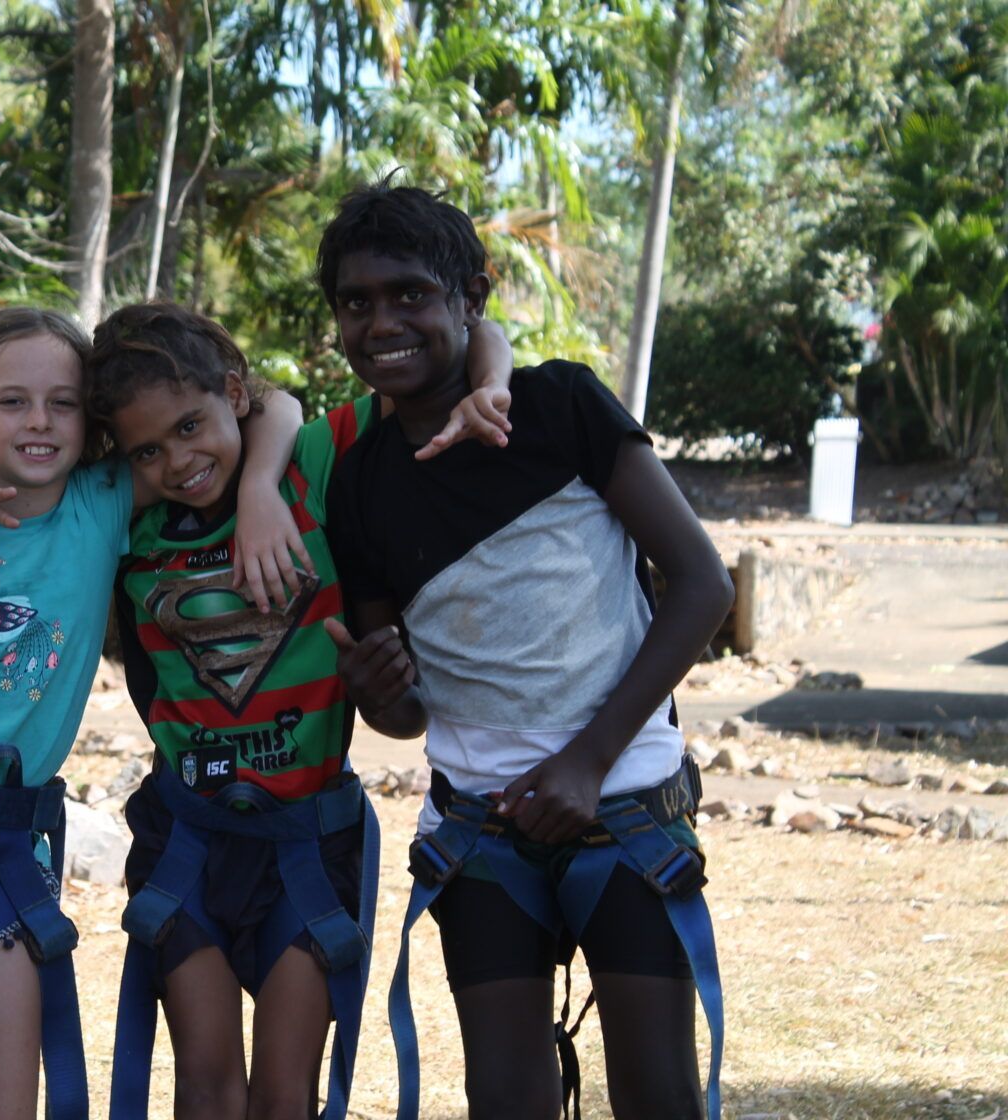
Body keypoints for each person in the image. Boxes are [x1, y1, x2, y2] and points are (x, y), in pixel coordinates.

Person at [317, 182, 735, 1120]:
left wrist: (589, 760)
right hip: (482, 834)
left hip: (626, 805)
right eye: (356, 303)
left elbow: (704, 584)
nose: (382, 321)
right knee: (505, 1099)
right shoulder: (360, 483)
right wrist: (379, 692)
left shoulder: (559, 409)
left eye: (410, 294)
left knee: (658, 1094)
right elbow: (408, 712)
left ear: (472, 296)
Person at [0, 305, 312, 1120]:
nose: (39, 421)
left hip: (0, 853)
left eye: (63, 402)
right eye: (12, 402)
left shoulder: (103, 504)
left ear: (93, 423)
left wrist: (258, 485)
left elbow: (268, 404)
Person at [93, 301, 514, 1120]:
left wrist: (491, 385)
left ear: (233, 392)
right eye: (147, 449)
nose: (177, 461)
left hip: (307, 843)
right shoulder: (122, 515)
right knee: (207, 1089)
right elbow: (25, 470)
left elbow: (463, 353)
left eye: (190, 426)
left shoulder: (312, 464)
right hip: (187, 839)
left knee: (287, 1096)